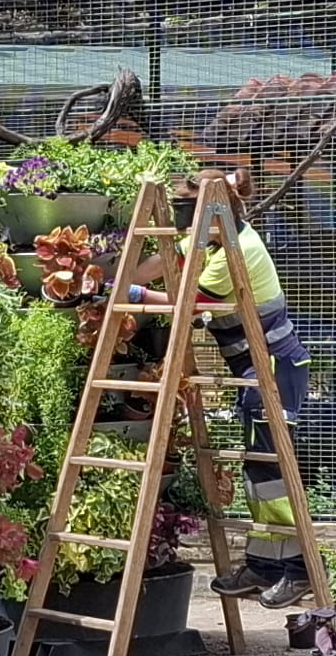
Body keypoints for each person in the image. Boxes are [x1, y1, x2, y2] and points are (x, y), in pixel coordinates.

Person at [126, 171, 312, 609]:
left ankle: (300, 569)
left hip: (272, 369)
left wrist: (132, 293)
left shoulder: (235, 249)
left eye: (185, 206)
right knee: (258, 474)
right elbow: (163, 262)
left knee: (273, 475)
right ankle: (264, 566)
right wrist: (112, 276)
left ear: (212, 210)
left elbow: (192, 304)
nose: (181, 214)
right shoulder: (213, 241)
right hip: (255, 369)